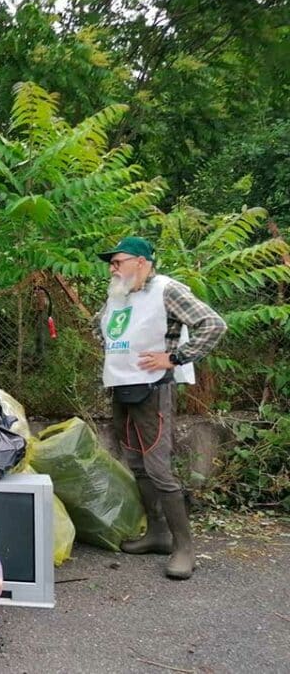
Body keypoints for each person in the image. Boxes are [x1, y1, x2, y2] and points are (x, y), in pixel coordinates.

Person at [96, 236, 226, 580]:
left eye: (117, 261)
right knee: (137, 464)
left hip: (153, 390)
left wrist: (174, 357)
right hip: (122, 386)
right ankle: (157, 535)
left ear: (141, 261)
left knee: (158, 468)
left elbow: (213, 324)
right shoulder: (119, 294)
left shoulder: (167, 290)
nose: (112, 268)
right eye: (111, 264)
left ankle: (185, 548)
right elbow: (107, 332)